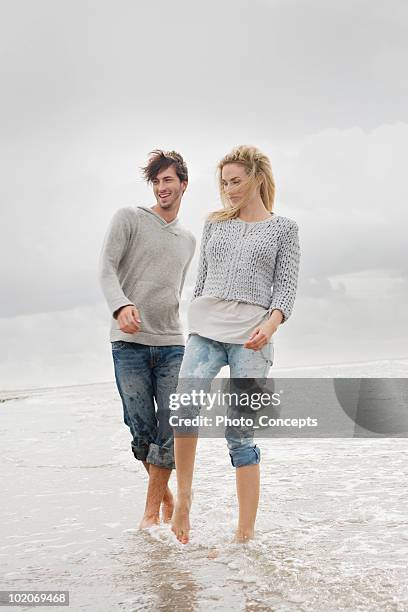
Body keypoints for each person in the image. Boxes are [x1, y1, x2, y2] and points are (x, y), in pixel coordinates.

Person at [170, 145, 300, 544]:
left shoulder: (284, 229)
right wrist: (196, 321)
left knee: (239, 434)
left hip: (252, 336)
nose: (229, 189)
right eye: (224, 182)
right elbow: (204, 279)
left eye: (236, 181)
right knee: (184, 407)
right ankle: (184, 500)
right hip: (206, 333)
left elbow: (287, 287)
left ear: (257, 177)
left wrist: (271, 325)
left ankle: (244, 534)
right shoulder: (215, 223)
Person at [99, 150, 196, 529]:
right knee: (141, 431)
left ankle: (150, 512)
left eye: (168, 180)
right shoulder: (129, 218)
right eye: (156, 182)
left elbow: (178, 289)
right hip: (128, 343)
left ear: (183, 184)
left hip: (173, 342)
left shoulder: (188, 239)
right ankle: (166, 499)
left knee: (170, 425)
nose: (161, 188)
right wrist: (121, 306)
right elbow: (106, 268)